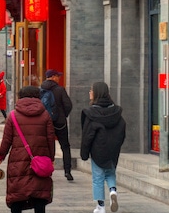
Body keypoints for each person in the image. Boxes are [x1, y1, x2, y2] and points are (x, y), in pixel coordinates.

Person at [0, 86, 55, 213]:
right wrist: (51, 158)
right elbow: (50, 140)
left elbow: (6, 140)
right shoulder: (45, 115)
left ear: (20, 97)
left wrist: (0, 157)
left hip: (18, 161)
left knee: (17, 196)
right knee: (39, 196)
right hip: (40, 160)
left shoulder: (13, 116)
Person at [81, 82, 126, 213]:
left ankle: (100, 206)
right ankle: (113, 191)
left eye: (91, 90)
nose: (90, 92)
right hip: (113, 149)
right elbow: (122, 130)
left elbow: (87, 135)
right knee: (110, 173)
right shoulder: (117, 112)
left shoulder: (91, 113)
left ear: (96, 93)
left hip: (98, 150)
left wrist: (84, 152)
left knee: (98, 177)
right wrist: (117, 145)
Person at [40, 69, 74, 180]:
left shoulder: (41, 90)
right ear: (53, 77)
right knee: (65, 146)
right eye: (57, 76)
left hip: (45, 122)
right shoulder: (60, 90)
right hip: (60, 123)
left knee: (48, 146)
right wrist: (63, 115)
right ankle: (67, 171)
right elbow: (68, 105)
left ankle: (46, 170)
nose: (59, 78)